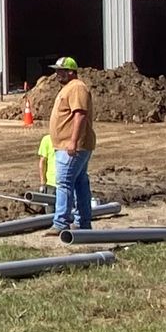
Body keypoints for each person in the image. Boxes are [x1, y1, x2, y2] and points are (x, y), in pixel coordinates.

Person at [48, 57, 96, 231]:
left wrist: (73, 141)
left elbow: (80, 114)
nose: (56, 74)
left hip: (71, 147)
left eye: (60, 71)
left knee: (64, 183)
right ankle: (83, 222)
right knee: (80, 183)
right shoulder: (68, 88)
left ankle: (61, 223)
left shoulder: (76, 87)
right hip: (69, 145)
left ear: (71, 72)